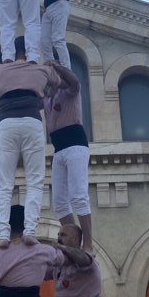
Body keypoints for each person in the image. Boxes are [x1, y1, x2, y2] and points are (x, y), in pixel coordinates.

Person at [0, 46, 59, 243]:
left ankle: (4, 234)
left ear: (12, 53)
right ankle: (30, 231)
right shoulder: (40, 70)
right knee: (35, 181)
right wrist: (49, 72)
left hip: (7, 124)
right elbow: (60, 85)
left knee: (4, 182)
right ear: (30, 51)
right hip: (32, 123)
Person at [44, 61, 92, 250]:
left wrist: (57, 67)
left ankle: (88, 242)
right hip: (59, 149)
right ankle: (73, 240)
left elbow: (74, 82)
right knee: (59, 203)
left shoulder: (69, 92)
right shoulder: (46, 98)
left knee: (79, 195)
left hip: (75, 144)